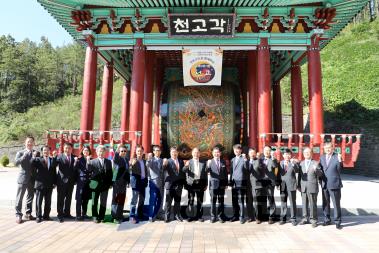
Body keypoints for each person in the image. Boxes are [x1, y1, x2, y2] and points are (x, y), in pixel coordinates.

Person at [319, 142, 344, 229]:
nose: (328, 149)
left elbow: (341, 169)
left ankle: (337, 221)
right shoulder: (322, 157)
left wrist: (340, 160)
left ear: (333, 148)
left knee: (336, 204)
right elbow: (320, 170)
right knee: (325, 203)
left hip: (334, 184)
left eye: (329, 148)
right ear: (324, 149)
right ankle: (327, 219)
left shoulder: (337, 156)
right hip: (324, 184)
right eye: (326, 148)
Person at [298, 147, 323, 228]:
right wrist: (298, 186)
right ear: (303, 154)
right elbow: (299, 176)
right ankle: (305, 218)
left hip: (312, 186)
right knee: (304, 204)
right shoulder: (301, 163)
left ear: (311, 153)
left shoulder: (316, 163)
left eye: (308, 152)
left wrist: (317, 170)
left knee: (313, 204)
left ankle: (313, 219)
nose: (307, 154)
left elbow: (320, 174)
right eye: (305, 152)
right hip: (303, 187)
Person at [31, 146, 57, 223]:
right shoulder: (38, 159)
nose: (46, 151)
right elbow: (31, 164)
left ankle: (46, 215)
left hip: (49, 184)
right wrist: (33, 156)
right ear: (42, 151)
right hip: (40, 184)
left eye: (47, 150)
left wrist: (55, 182)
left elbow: (54, 172)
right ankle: (38, 216)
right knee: (39, 201)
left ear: (49, 151)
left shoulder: (52, 160)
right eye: (44, 150)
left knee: (48, 201)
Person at [88, 145, 113, 223]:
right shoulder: (92, 162)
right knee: (94, 201)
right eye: (99, 151)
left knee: (103, 201)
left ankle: (101, 216)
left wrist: (110, 183)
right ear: (96, 152)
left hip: (105, 185)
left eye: (102, 151)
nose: (101, 153)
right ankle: (95, 216)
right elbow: (88, 172)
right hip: (95, 185)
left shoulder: (108, 162)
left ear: (105, 152)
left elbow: (110, 173)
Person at [14, 136, 36, 224]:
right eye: (28, 142)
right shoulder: (20, 152)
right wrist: (23, 157)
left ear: (34, 143)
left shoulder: (36, 153)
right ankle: (18, 214)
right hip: (23, 178)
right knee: (19, 197)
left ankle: (28, 213)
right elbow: (16, 163)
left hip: (33, 179)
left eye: (31, 142)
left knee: (30, 196)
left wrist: (35, 158)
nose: (30, 143)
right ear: (25, 143)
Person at [183, 147, 208, 222]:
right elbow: (183, 170)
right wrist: (186, 166)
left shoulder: (203, 162)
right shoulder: (189, 162)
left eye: (197, 153)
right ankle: (190, 216)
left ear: (199, 154)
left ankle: (199, 216)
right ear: (192, 153)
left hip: (200, 183)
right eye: (194, 152)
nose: (196, 154)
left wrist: (206, 184)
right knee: (191, 200)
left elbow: (205, 174)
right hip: (191, 184)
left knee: (200, 201)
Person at [54, 142, 77, 223]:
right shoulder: (59, 156)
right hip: (61, 182)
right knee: (60, 199)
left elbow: (76, 170)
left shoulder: (74, 157)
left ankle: (67, 213)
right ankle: (60, 214)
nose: (67, 150)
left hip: (71, 182)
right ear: (63, 148)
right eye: (66, 148)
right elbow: (53, 166)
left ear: (72, 149)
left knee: (68, 198)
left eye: (69, 148)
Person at [163, 146, 186, 223]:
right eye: (173, 152)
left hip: (178, 185)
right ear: (170, 153)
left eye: (175, 152)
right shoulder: (167, 161)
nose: (174, 153)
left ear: (177, 153)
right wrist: (164, 164)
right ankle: (167, 216)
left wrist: (183, 183)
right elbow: (163, 169)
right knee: (168, 202)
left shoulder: (181, 161)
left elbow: (182, 173)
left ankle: (177, 215)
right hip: (170, 185)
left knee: (177, 201)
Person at [277, 148, 299, 226]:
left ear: (291, 155)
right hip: (283, 185)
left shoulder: (293, 163)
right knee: (283, 202)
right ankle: (283, 218)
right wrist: (277, 184)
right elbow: (277, 174)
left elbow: (297, 170)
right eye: (286, 154)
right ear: (283, 155)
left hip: (292, 185)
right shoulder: (279, 163)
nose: (287, 156)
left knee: (292, 202)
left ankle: (293, 219)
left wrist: (293, 164)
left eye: (289, 154)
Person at [206, 146, 228, 223]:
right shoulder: (210, 162)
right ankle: (213, 217)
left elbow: (225, 173)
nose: (216, 154)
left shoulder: (223, 161)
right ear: (212, 153)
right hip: (213, 185)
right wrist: (208, 165)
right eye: (215, 152)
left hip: (222, 185)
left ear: (220, 153)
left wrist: (226, 184)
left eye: (218, 152)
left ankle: (220, 216)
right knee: (213, 201)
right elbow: (207, 171)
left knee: (221, 201)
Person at [260, 146, 280, 224]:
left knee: (270, 198)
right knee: (263, 199)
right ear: (263, 151)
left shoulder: (273, 160)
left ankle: (272, 216)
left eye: (268, 150)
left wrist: (273, 158)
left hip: (270, 182)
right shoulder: (260, 160)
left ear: (270, 151)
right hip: (261, 182)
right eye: (265, 150)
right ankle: (264, 215)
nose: (267, 152)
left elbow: (275, 167)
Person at [111, 144, 130, 224]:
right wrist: (117, 148)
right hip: (117, 183)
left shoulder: (126, 159)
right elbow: (115, 157)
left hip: (123, 183)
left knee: (121, 199)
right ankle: (115, 216)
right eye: (122, 151)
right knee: (116, 200)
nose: (123, 152)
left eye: (125, 151)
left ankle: (120, 214)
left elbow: (127, 171)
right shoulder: (117, 158)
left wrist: (128, 181)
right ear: (119, 151)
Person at [230, 144, 248, 224]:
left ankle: (242, 216)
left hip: (241, 182)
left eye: (238, 149)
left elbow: (247, 168)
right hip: (234, 182)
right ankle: (235, 215)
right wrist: (230, 181)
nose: (236, 151)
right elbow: (231, 171)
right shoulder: (233, 159)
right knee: (234, 200)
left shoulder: (243, 158)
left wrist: (245, 159)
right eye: (235, 149)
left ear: (241, 150)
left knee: (241, 200)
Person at [129, 145, 148, 224]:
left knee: (142, 199)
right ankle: (132, 216)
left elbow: (145, 172)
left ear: (143, 152)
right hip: (136, 183)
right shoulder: (133, 160)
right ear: (136, 152)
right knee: (134, 200)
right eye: (138, 151)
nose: (139, 152)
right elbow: (130, 170)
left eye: (141, 151)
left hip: (143, 182)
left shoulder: (144, 161)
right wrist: (131, 165)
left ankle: (140, 214)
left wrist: (146, 180)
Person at [146, 145, 164, 222]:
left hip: (161, 183)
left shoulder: (162, 160)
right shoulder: (151, 160)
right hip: (153, 182)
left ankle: (158, 214)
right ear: (153, 152)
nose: (157, 152)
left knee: (160, 200)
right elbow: (147, 164)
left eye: (159, 150)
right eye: (156, 150)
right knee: (152, 199)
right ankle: (151, 215)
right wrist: (149, 159)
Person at [74, 146, 92, 221]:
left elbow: (90, 170)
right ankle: (78, 215)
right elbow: (74, 169)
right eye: (84, 150)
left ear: (89, 152)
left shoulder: (91, 160)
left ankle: (84, 214)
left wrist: (88, 161)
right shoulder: (78, 160)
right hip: (81, 180)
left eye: (87, 150)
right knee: (79, 198)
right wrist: (75, 162)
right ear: (82, 151)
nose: (86, 151)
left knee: (86, 198)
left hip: (88, 181)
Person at [247, 148, 263, 223]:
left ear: (255, 153)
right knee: (249, 201)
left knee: (257, 201)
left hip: (256, 184)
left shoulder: (259, 161)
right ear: (248, 154)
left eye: (253, 153)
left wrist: (259, 160)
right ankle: (250, 217)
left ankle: (258, 217)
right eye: (251, 153)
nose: (252, 154)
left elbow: (262, 170)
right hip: (248, 184)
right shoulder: (246, 161)